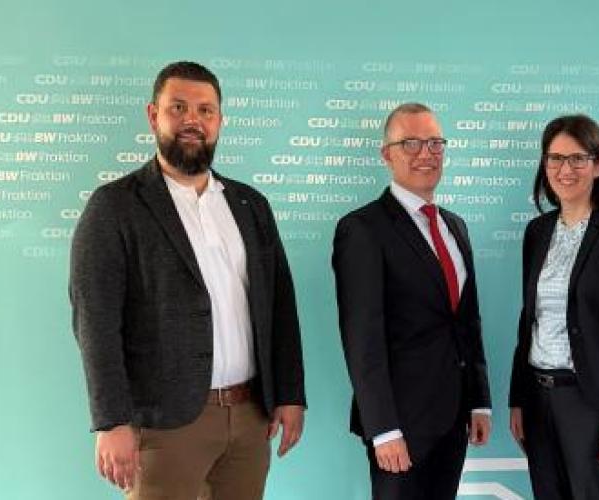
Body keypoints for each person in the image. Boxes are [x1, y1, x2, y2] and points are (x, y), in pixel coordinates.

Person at [69, 61, 306, 499]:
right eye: (178, 107)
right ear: (152, 115)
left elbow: (280, 306)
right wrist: (111, 421)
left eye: (205, 110)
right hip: (163, 426)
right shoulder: (115, 207)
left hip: (250, 418)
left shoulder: (251, 205)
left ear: (220, 121)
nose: (192, 120)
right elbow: (95, 323)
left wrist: (290, 394)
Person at [332, 102, 492, 499]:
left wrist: (480, 401)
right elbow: (361, 338)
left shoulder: (455, 226)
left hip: (453, 417)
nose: (427, 153)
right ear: (387, 154)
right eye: (412, 143)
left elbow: (467, 321)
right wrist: (383, 429)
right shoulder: (363, 229)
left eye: (436, 143)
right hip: (398, 425)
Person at [507, 114, 599, 499]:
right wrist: (518, 398)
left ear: (598, 164)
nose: (564, 169)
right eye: (554, 158)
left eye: (577, 158)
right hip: (539, 400)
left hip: (593, 402)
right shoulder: (537, 232)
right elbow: (530, 321)